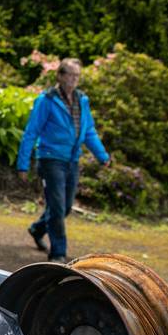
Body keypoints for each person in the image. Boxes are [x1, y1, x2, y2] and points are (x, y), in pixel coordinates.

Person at [16, 58, 110, 262]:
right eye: (70, 75)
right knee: (57, 207)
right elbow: (31, 132)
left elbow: (89, 131)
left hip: (72, 160)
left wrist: (102, 156)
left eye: (77, 76)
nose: (74, 80)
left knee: (65, 207)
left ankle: (37, 228)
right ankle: (58, 253)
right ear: (60, 76)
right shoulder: (46, 100)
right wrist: (22, 164)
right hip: (50, 159)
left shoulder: (82, 100)